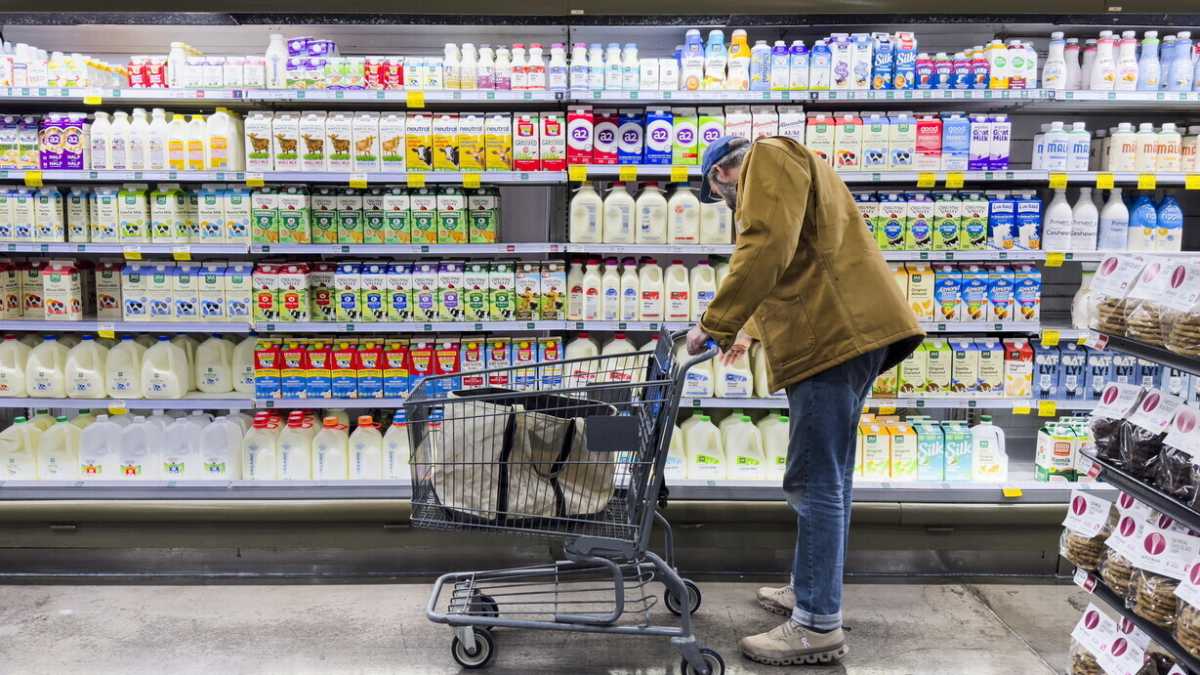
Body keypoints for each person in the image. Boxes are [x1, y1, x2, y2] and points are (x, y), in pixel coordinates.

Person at [686, 136, 924, 666]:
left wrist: (714, 323)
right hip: (844, 331)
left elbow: (767, 245)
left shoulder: (767, 159)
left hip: (832, 336)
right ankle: (808, 589)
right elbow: (793, 256)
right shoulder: (789, 165)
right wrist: (744, 328)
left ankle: (816, 624)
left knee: (815, 480)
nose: (729, 208)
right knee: (829, 477)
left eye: (719, 196)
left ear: (722, 174)